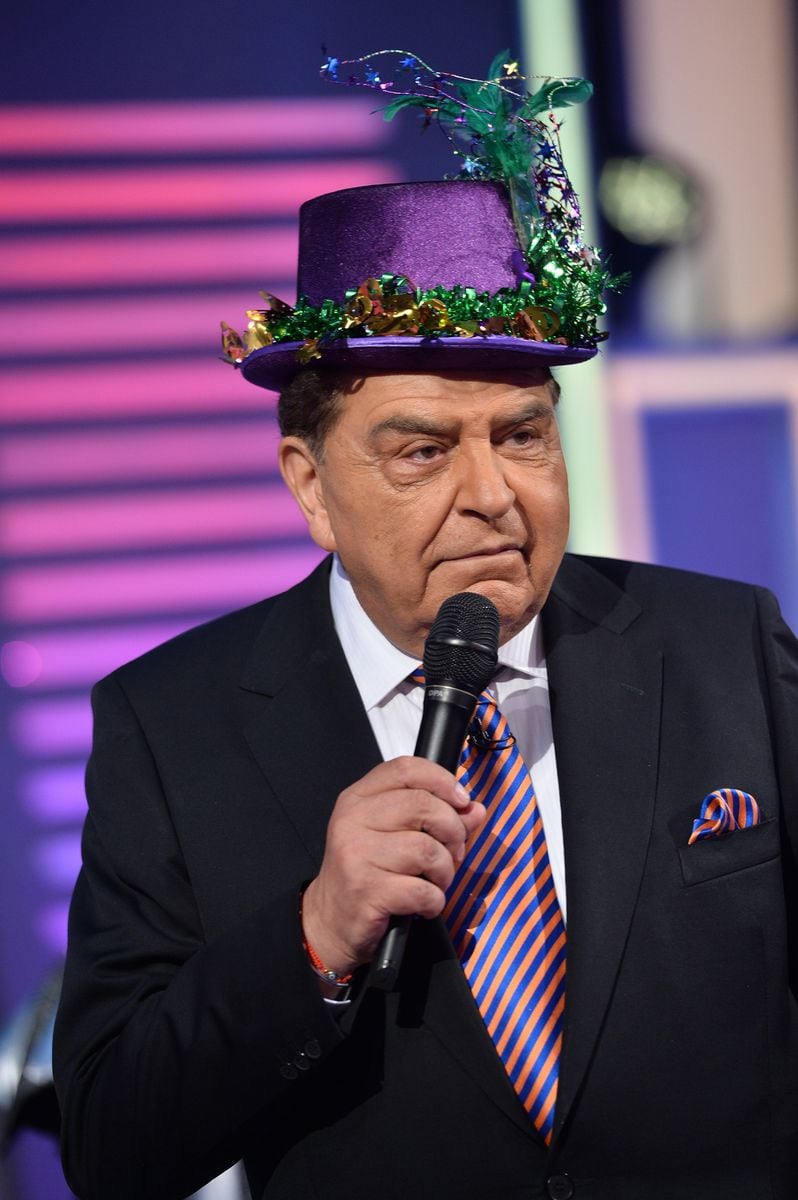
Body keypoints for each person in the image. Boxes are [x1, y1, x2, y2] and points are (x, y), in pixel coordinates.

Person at [53, 53, 798, 1200]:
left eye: (524, 435)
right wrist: (312, 935)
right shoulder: (171, 725)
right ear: (310, 486)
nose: (495, 494)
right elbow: (112, 1141)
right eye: (421, 450)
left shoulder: (724, 645)